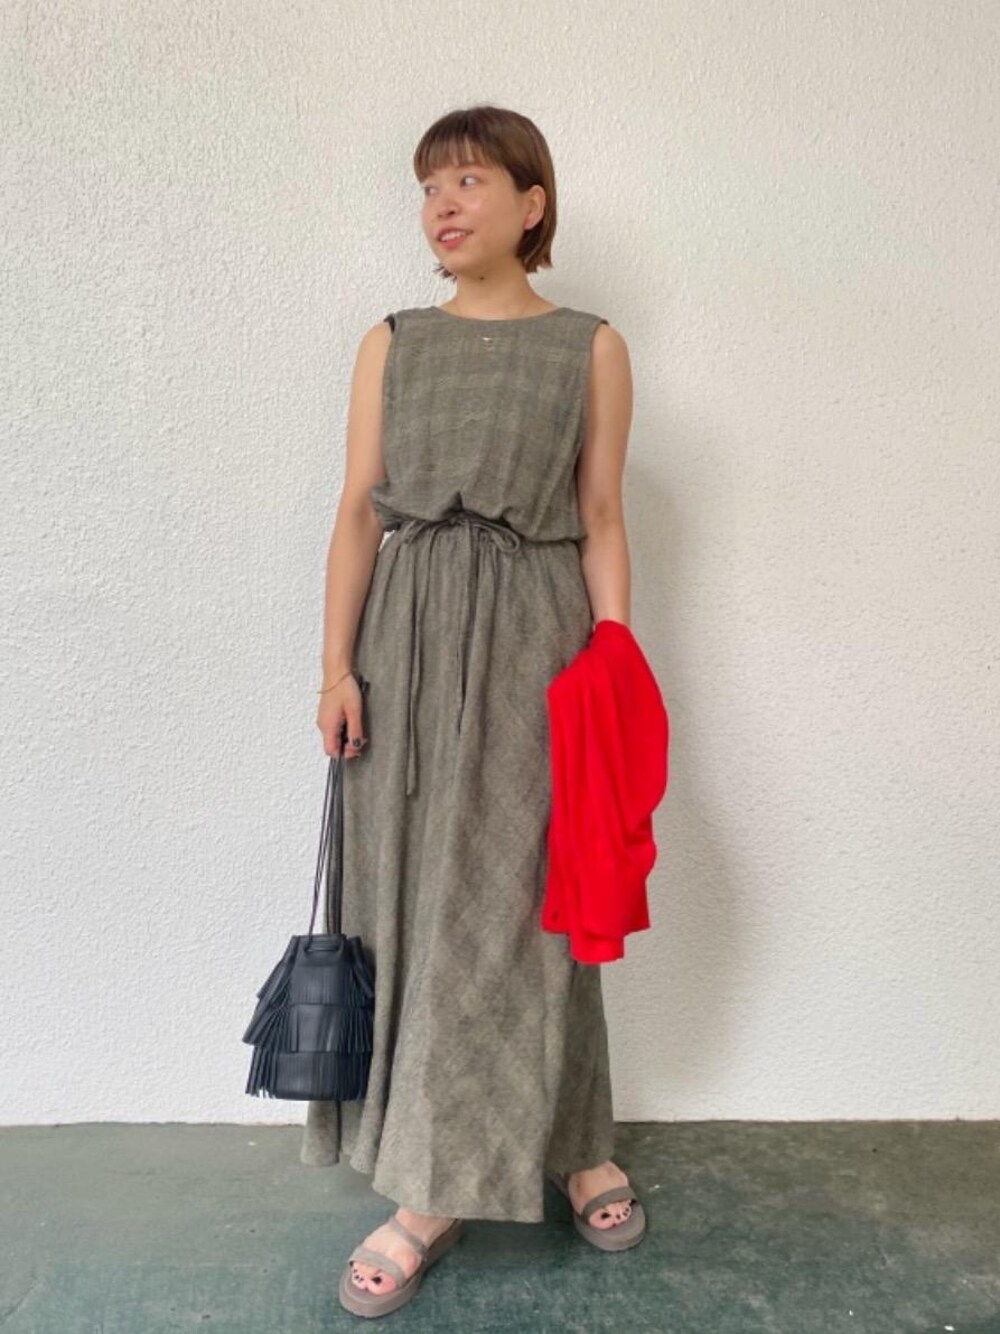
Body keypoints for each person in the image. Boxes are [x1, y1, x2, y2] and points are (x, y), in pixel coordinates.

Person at [309, 103, 642, 1317]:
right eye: (429, 187)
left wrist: (613, 658)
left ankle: (566, 1141)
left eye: (469, 181)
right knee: (417, 900)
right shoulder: (392, 341)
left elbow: (598, 515)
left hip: (536, 637)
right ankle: (438, 1181)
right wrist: (336, 667)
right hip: (405, 639)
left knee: (538, 897)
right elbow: (360, 507)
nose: (442, 205)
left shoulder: (588, 345)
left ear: (530, 203)